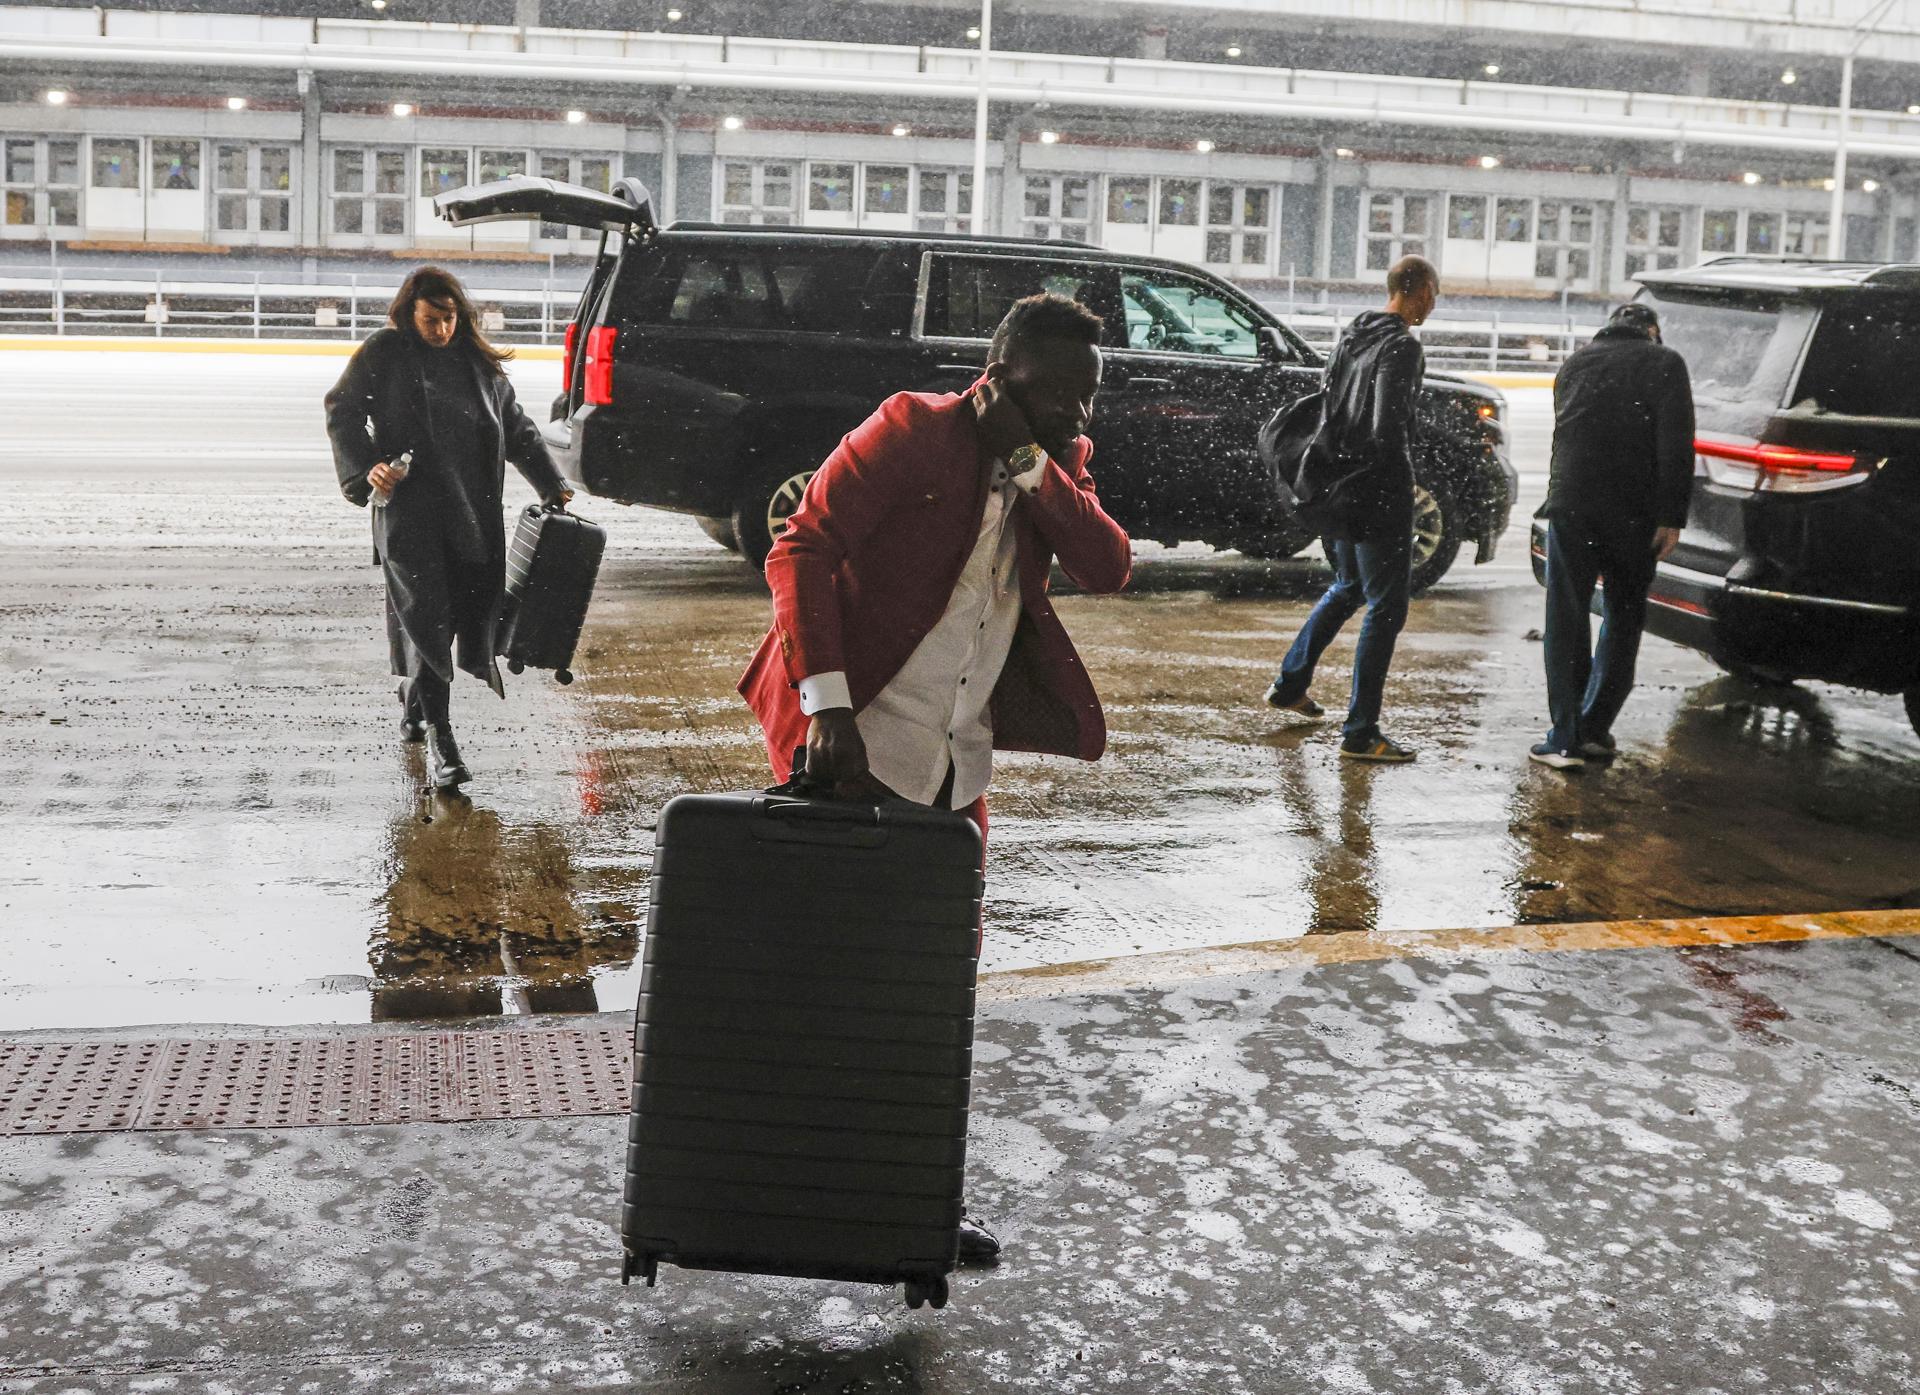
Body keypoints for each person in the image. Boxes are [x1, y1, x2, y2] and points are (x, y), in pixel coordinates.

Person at [737, 291, 1132, 1261]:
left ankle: (914, 1194)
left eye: (1089, 402)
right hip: (855, 741)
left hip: (957, 765)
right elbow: (802, 548)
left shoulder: (1054, 464)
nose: (1079, 418)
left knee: (936, 988)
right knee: (831, 980)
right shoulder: (913, 430)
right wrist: (827, 709)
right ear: (998, 381)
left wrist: (1038, 461)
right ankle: (776, 1183)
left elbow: (1109, 564)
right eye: (1059, 399)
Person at [325, 265, 572, 791]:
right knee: (428, 620)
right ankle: (444, 741)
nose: (440, 330)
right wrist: (367, 465)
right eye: (430, 320)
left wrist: (550, 485)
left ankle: (415, 702)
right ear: (408, 316)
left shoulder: (477, 365)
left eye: (449, 319)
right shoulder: (384, 354)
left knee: (460, 615)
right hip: (409, 516)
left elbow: (518, 429)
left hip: (472, 516)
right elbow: (342, 410)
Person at [1262, 255, 1437, 763]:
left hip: (1334, 483)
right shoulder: (1401, 345)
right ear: (1420, 289)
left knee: (1350, 586)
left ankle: (1290, 684)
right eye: (1432, 293)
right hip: (1375, 491)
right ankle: (1361, 732)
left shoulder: (1353, 336)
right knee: (1387, 606)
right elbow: (1388, 429)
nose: (1432, 304)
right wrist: (1403, 488)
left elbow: (1333, 410)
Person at [1530, 301, 1694, 769]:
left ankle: (1564, 738)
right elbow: (1676, 444)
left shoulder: (1576, 362)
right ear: (1652, 331)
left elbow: (1567, 436)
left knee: (1566, 616)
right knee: (1623, 616)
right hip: (1633, 512)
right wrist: (1671, 518)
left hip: (1572, 505)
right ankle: (1595, 728)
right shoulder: (1665, 362)